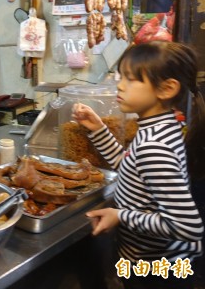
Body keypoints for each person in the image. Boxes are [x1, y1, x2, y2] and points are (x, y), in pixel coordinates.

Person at [71, 41, 205, 289]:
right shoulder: (160, 127)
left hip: (159, 271)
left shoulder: (154, 146)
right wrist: (98, 130)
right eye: (121, 76)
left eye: (131, 80)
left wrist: (120, 215)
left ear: (166, 89)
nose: (119, 85)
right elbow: (131, 166)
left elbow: (187, 226)